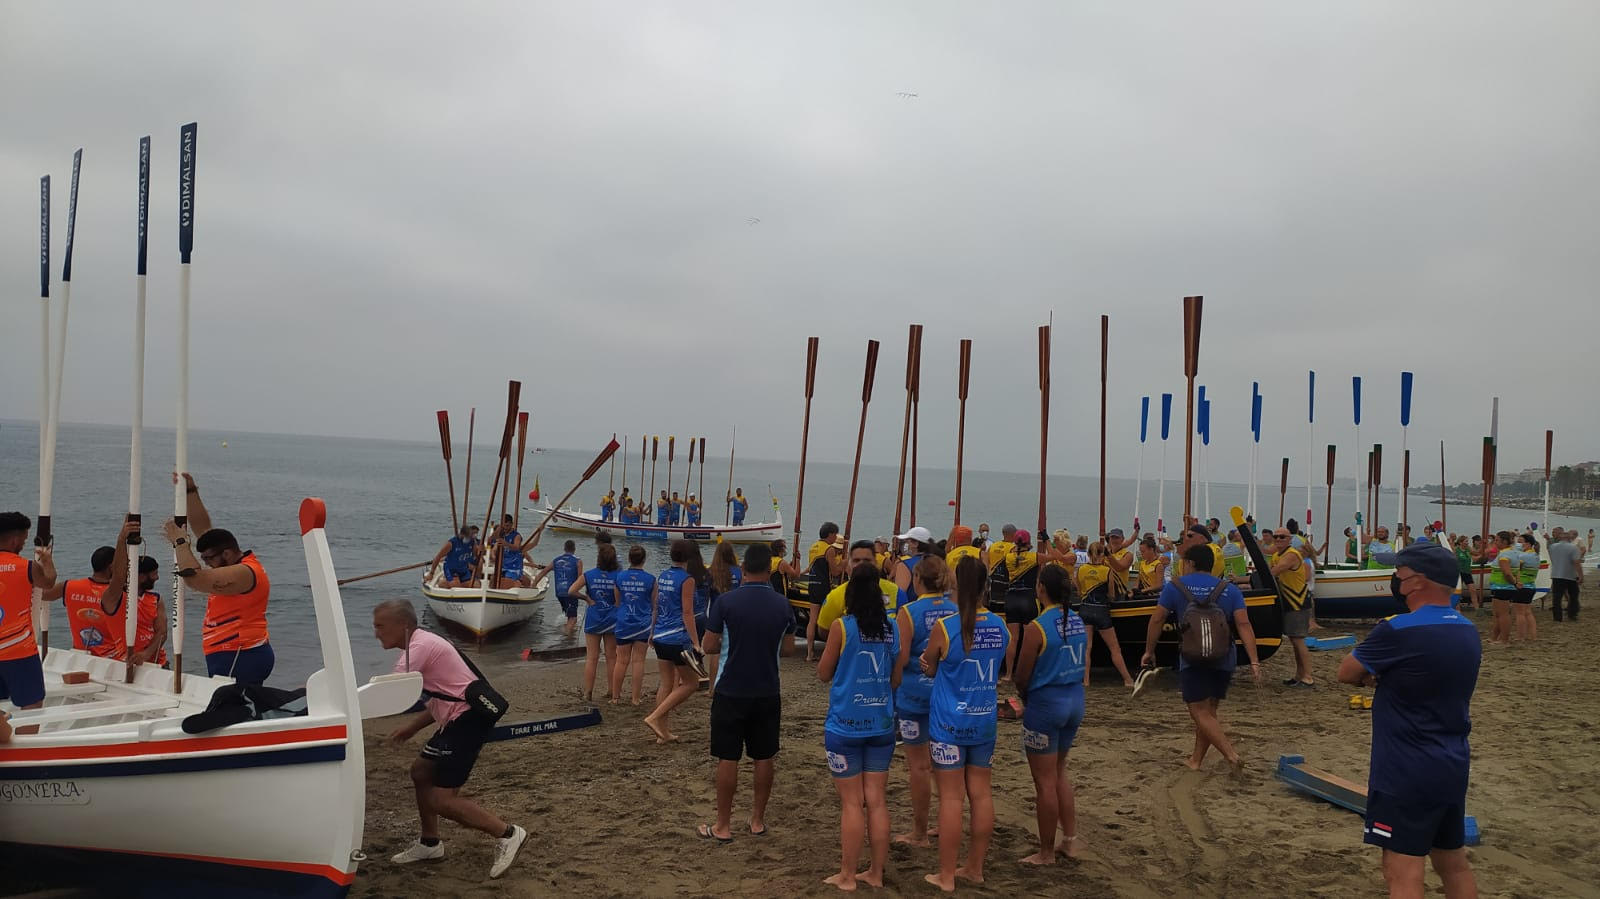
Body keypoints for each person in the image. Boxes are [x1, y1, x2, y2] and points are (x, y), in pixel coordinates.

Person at [1336, 542, 1481, 899]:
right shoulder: (1466, 628)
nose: (1395, 580)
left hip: (1404, 768)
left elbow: (1347, 672)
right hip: (1452, 760)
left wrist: (1374, 677)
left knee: (1401, 871)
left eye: (1399, 574)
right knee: (1453, 862)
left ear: (1417, 581)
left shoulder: (1398, 629)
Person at [375, 600, 527, 878]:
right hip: (457, 718)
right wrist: (412, 728)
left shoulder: (419, 647)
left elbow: (386, 692)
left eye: (380, 626)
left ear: (403, 625)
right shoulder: (423, 642)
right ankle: (430, 844)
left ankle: (508, 834)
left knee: (442, 800)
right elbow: (444, 695)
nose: (376, 633)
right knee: (421, 771)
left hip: (468, 721)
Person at [920, 556, 1007, 892]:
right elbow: (998, 664)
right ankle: (974, 868)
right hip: (983, 719)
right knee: (981, 795)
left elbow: (930, 667)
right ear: (985, 586)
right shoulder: (999, 626)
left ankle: (946, 875)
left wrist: (927, 664)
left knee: (952, 799)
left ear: (956, 585)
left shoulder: (946, 627)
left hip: (949, 724)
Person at [1140, 544, 1262, 772]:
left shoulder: (1175, 587)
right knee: (1209, 712)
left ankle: (1232, 756)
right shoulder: (1229, 589)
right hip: (1224, 656)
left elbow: (1157, 619)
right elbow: (1244, 624)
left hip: (1193, 656)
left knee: (1198, 711)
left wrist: (1149, 650)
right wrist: (1254, 661)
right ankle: (1195, 761)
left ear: (1191, 563)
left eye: (1184, 562)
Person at [699, 543, 789, 842]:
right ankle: (757, 821)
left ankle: (722, 825)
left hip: (731, 688)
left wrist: (730, 643)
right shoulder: (782, 604)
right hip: (767, 688)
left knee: (728, 757)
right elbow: (788, 648)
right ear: (769, 569)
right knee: (764, 756)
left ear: (744, 569)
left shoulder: (726, 602)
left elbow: (708, 645)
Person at [818, 567, 900, 891]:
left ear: (850, 594)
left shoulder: (843, 627)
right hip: (881, 724)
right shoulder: (892, 627)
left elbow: (823, 673)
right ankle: (876, 873)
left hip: (846, 725)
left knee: (852, 803)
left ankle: (848, 876)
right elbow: (896, 677)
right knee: (876, 801)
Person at [164, 472, 273, 685]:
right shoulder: (231, 563)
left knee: (235, 704)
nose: (206, 563)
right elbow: (203, 529)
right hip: (232, 652)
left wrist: (180, 542)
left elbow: (195, 579)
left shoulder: (245, 572)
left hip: (240, 653)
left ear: (227, 553)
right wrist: (189, 491)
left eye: (209, 559)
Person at [1012, 565, 1088, 864]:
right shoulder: (1077, 620)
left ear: (1041, 588)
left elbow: (1021, 675)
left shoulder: (1038, 626)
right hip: (1074, 700)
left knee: (1044, 782)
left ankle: (1045, 852)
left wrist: (1025, 698)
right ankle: (1069, 840)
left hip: (1046, 704)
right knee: (1059, 772)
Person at [891, 557, 955, 847]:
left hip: (915, 695)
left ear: (917, 580)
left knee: (918, 766)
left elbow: (902, 657)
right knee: (944, 762)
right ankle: (944, 823)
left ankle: (919, 832)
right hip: (946, 694)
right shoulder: (955, 609)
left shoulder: (909, 611)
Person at [0, 512, 58, 733]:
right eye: (24, 540)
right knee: (32, 704)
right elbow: (49, 582)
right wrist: (47, 561)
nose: (24, 544)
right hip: (18, 649)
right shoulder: (26, 567)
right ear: (15, 540)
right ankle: (25, 744)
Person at [646, 539, 705, 744]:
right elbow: (687, 612)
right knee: (691, 683)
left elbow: (657, 606)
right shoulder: (687, 579)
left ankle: (662, 732)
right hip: (677, 637)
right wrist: (696, 642)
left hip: (660, 635)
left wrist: (652, 631)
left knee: (666, 683)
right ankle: (654, 718)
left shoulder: (663, 576)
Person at [1074, 542, 1135, 688]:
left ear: (1088, 554)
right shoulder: (1107, 570)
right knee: (1114, 649)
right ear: (1103, 555)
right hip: (1101, 610)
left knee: (1087, 648)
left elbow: (1079, 591)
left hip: (1085, 609)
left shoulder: (1081, 569)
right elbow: (1112, 594)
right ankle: (1127, 679)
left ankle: (1086, 681)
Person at [815, 541, 904, 635]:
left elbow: (904, 628)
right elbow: (824, 631)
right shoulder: (835, 596)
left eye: (867, 560)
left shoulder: (896, 592)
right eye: (856, 560)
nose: (862, 564)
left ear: (876, 563)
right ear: (848, 564)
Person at [570, 543, 620, 701]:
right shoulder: (618, 575)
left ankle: (588, 692)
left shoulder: (589, 574)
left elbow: (571, 590)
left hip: (594, 617)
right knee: (612, 656)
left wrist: (586, 598)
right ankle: (612, 690)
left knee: (592, 657)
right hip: (612, 618)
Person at [1268, 529, 1315, 687]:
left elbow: (1273, 572)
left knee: (1298, 640)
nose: (1278, 539)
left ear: (1289, 539)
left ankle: (1307, 677)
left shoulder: (1292, 555)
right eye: (1276, 537)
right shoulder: (1276, 555)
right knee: (1294, 640)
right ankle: (1299, 675)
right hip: (1288, 602)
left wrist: (1245, 579)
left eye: (1282, 537)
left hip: (1298, 602)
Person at [611, 545, 656, 705]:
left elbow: (617, 601)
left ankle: (615, 697)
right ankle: (635, 698)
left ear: (629, 559)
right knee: (638, 661)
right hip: (642, 624)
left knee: (621, 661)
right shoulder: (651, 579)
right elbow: (654, 605)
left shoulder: (619, 577)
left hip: (624, 622)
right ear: (644, 560)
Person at [997, 530, 1042, 681]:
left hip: (1012, 598)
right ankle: (1028, 673)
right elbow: (1056, 556)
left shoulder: (1008, 557)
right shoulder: (1034, 557)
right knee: (1029, 639)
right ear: (1028, 543)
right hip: (1028, 598)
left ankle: (1009, 674)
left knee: (1013, 639)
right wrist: (1046, 540)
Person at [803, 522, 846, 662]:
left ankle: (809, 653)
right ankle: (831, 650)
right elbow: (835, 572)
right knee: (830, 618)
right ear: (831, 534)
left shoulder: (813, 547)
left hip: (812, 585)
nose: (835, 538)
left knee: (812, 620)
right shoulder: (829, 549)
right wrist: (843, 564)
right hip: (824, 587)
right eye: (835, 534)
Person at [532, 540, 582, 637]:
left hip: (559, 593)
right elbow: (580, 578)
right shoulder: (578, 561)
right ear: (574, 549)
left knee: (570, 616)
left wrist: (533, 585)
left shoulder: (556, 560)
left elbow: (543, 572)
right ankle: (566, 638)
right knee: (573, 618)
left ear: (564, 548)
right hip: (571, 592)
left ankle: (569, 634)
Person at [1548, 528, 1582, 622]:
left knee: (1557, 597)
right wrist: (1580, 575)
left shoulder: (1552, 547)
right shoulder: (1573, 548)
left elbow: (1552, 559)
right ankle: (1572, 614)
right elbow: (1576, 562)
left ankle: (1557, 617)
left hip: (1556, 574)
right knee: (1574, 595)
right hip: (1570, 575)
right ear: (1569, 538)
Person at [892, 526, 936, 594]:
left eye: (908, 541)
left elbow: (899, 594)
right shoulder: (938, 562)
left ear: (915, 544)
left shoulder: (904, 565)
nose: (907, 544)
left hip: (913, 600)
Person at [1512, 533, 1539, 642]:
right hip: (1531, 586)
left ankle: (1520, 636)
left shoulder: (1523, 556)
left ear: (1527, 543)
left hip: (1522, 586)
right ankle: (1533, 636)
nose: (1518, 544)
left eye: (1520, 541)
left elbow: (1515, 568)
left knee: (1520, 613)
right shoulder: (1535, 555)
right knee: (1528, 612)